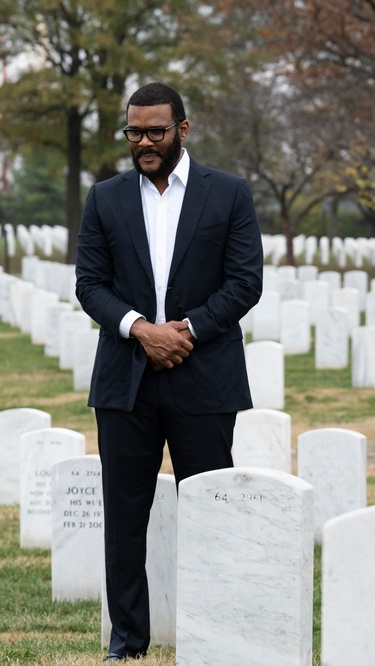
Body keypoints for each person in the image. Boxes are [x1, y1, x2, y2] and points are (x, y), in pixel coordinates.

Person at [75, 82, 263, 661]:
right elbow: (89, 284)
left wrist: (185, 331)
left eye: (156, 131)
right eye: (134, 132)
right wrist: (140, 328)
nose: (144, 142)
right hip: (124, 379)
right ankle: (127, 642)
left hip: (204, 374)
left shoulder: (228, 193)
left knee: (209, 512)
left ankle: (213, 636)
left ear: (184, 128)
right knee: (124, 518)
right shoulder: (104, 198)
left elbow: (244, 282)